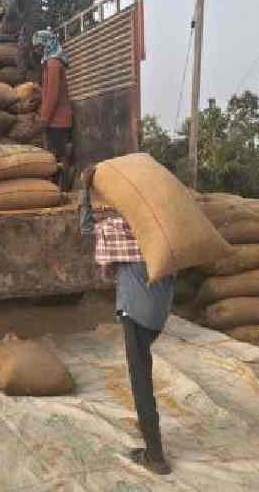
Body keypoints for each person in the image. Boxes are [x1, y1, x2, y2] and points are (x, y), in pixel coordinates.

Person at [78, 166, 174, 475]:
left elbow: (85, 227)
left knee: (140, 382)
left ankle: (155, 456)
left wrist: (84, 190)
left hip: (135, 311)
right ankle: (152, 443)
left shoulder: (118, 228)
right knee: (142, 374)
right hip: (159, 314)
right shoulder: (166, 229)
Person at [32, 30, 73, 190]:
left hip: (58, 119)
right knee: (58, 154)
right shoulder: (51, 63)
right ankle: (61, 186)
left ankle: (61, 188)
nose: (36, 51)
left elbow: (52, 95)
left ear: (46, 44)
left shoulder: (53, 64)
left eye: (38, 47)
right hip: (56, 118)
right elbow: (49, 92)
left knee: (56, 156)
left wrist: (44, 119)